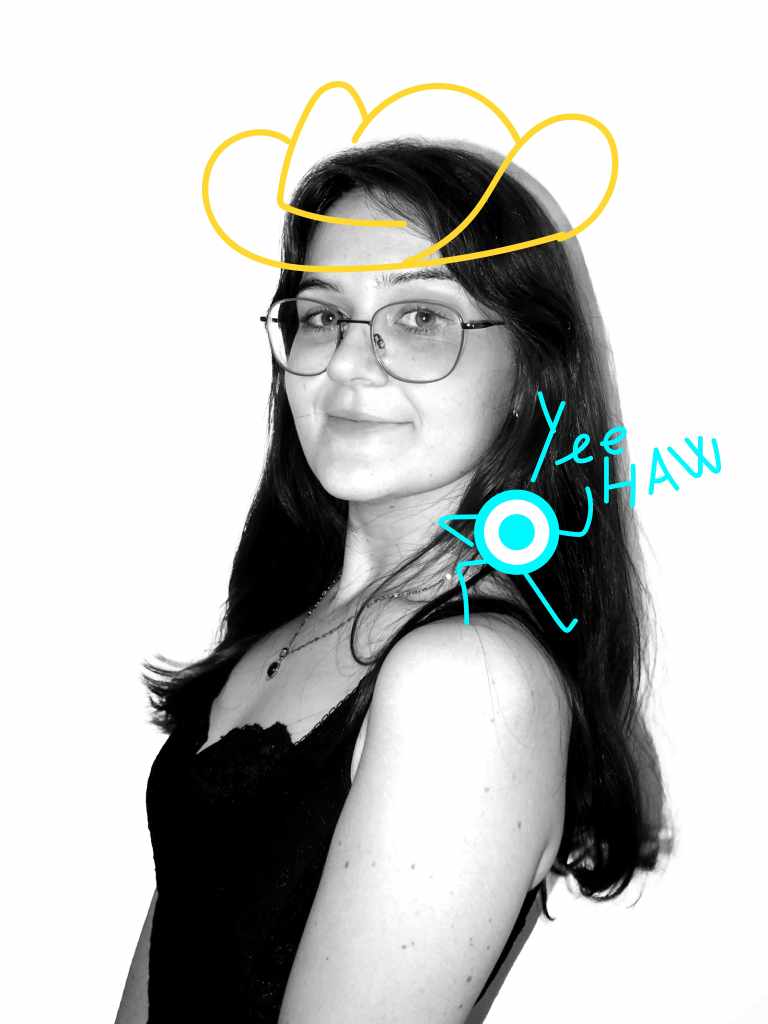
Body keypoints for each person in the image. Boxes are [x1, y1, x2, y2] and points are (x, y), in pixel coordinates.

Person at [115, 137, 674, 1023]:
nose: (345, 361)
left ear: (529, 371)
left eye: (419, 317)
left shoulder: (468, 679)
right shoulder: (280, 630)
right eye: (321, 315)